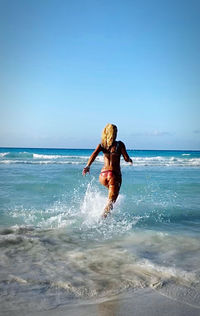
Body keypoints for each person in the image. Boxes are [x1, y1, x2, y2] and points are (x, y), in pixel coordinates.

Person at [82, 124, 133, 218]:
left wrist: (87, 166)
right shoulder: (119, 144)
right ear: (114, 133)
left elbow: (93, 154)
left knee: (110, 198)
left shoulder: (102, 145)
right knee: (111, 204)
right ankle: (100, 222)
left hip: (103, 175)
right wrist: (130, 160)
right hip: (113, 175)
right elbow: (126, 158)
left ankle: (102, 217)